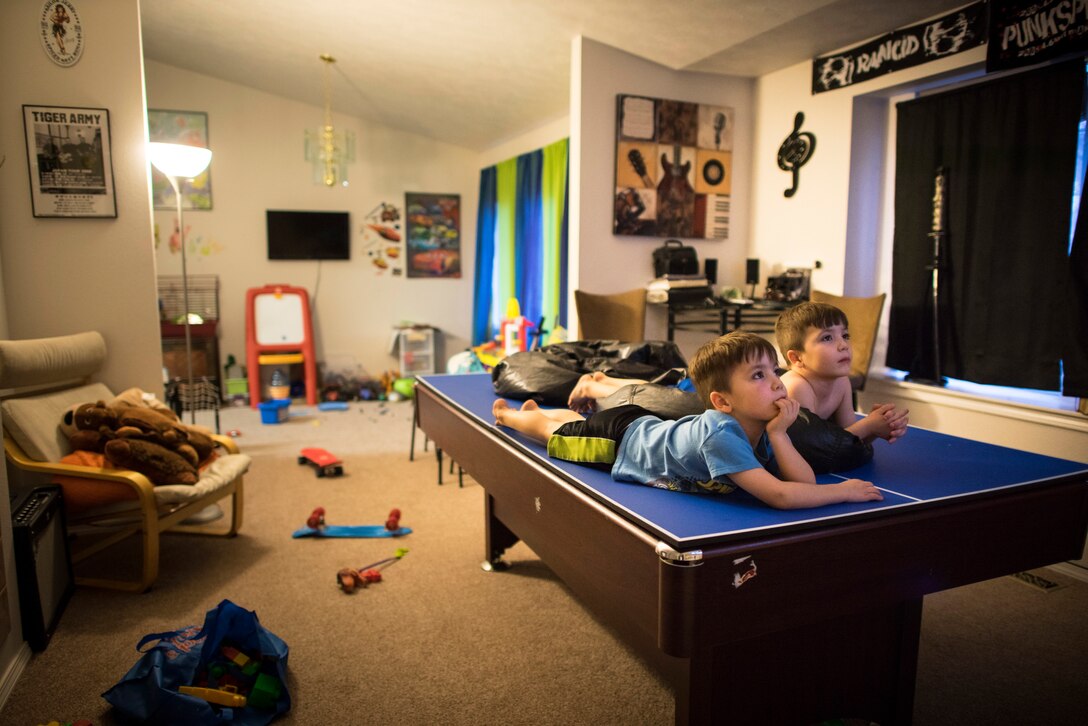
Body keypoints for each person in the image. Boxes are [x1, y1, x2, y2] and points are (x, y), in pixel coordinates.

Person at [492, 332, 883, 510]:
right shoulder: (722, 433)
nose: (777, 383)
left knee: (570, 423)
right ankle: (516, 417)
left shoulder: (764, 425)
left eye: (773, 372)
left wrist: (780, 435)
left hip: (643, 422)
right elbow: (781, 496)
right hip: (619, 442)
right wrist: (843, 491)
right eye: (758, 376)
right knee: (556, 435)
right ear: (722, 401)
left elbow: (802, 484)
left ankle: (543, 413)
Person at [774, 301, 908, 444]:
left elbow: (847, 441)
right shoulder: (796, 386)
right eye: (827, 338)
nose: (843, 345)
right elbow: (815, 448)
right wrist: (867, 425)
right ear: (797, 358)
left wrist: (877, 427)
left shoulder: (842, 382)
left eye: (845, 336)